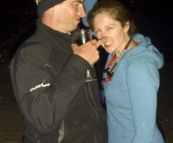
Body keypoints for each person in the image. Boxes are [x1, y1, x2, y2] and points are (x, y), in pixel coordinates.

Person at [10, 0, 108, 142]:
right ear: (51, 6)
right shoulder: (30, 54)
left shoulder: (78, 44)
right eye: (76, 4)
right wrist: (79, 63)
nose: (83, 12)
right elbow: (43, 118)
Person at [88, 0, 165, 143]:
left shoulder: (139, 67)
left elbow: (144, 133)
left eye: (109, 28)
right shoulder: (115, 53)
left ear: (126, 25)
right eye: (98, 30)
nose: (103, 37)